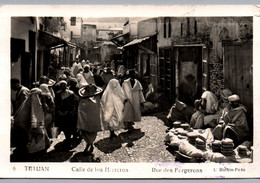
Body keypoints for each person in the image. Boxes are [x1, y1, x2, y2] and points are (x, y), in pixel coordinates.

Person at [12, 88, 51, 157]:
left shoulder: (30, 101)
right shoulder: (34, 102)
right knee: (33, 136)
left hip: (26, 123)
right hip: (27, 124)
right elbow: (35, 115)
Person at [77, 84, 103, 155]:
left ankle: (89, 144)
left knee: (92, 132)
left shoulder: (97, 97)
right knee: (85, 132)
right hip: (84, 118)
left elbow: (98, 107)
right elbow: (80, 107)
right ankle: (89, 144)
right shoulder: (82, 98)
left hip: (93, 118)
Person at [55, 81, 79, 149]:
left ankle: (71, 140)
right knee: (65, 128)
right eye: (61, 85)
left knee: (71, 127)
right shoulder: (58, 94)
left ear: (66, 86)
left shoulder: (71, 93)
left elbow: (75, 103)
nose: (63, 87)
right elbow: (56, 103)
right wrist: (59, 111)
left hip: (70, 114)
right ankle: (68, 139)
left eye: (64, 85)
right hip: (62, 114)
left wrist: (69, 111)